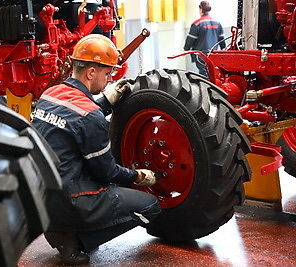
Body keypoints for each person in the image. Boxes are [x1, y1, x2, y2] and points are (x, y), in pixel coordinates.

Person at [32, 34, 161, 265]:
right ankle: (74, 239)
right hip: (68, 198)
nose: (109, 78)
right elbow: (108, 172)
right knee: (150, 206)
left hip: (38, 194)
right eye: (107, 73)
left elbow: (75, 119)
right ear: (91, 73)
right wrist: (138, 176)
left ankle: (58, 226)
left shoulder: (49, 94)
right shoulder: (90, 116)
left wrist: (105, 100)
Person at [184, 1, 225, 77]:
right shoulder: (217, 23)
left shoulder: (197, 23)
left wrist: (185, 49)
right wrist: (224, 50)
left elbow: (191, 38)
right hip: (213, 55)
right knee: (213, 74)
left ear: (200, 9)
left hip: (201, 55)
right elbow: (222, 40)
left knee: (204, 75)